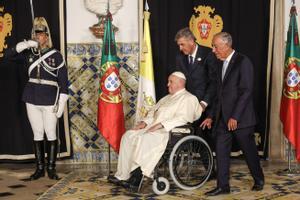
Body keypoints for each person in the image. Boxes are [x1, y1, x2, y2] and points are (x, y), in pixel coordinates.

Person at [108, 71, 203, 191]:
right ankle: (122, 175)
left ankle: (137, 178)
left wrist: (161, 125)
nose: (167, 84)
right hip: (153, 128)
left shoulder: (189, 98)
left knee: (145, 139)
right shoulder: (167, 98)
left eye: (171, 82)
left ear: (180, 83)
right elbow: (153, 113)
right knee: (128, 136)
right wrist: (145, 123)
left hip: (170, 132)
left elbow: (184, 118)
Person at [5, 17, 68, 180]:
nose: (37, 37)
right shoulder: (28, 54)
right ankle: (40, 168)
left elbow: (63, 82)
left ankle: (51, 168)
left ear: (46, 36)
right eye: (35, 34)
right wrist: (25, 45)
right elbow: (8, 56)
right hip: (31, 97)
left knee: (50, 133)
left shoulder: (56, 55)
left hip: (49, 98)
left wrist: (61, 102)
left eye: (40, 34)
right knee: (38, 133)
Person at [202, 32, 264, 196]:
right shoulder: (218, 63)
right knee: (221, 151)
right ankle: (223, 186)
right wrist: (211, 115)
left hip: (241, 118)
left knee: (249, 151)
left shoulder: (243, 62)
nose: (213, 50)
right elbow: (219, 94)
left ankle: (258, 179)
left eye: (216, 46)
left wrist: (235, 116)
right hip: (222, 118)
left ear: (227, 45)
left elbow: (246, 92)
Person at [174, 27, 217, 176]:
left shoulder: (208, 54)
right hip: (187, 106)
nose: (180, 48)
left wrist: (204, 103)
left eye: (182, 44)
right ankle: (175, 168)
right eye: (179, 45)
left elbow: (213, 83)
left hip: (206, 105)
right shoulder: (180, 58)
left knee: (202, 136)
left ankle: (211, 171)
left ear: (191, 41)